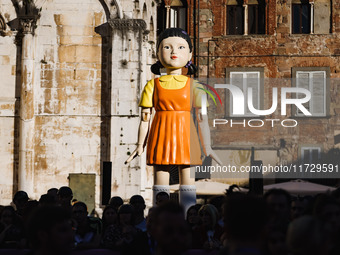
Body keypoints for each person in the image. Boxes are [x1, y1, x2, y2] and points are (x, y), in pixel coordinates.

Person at [125, 27, 221, 213]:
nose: (174, 52)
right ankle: (162, 216)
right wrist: (139, 144)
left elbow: (202, 119)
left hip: (186, 134)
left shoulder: (196, 86)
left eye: (180, 47)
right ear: (158, 52)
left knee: (188, 179)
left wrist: (207, 146)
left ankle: (188, 216)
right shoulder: (152, 85)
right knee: (161, 178)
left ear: (190, 53)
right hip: (161, 132)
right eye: (167, 47)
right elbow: (145, 117)